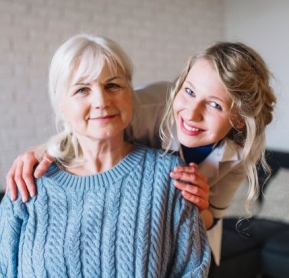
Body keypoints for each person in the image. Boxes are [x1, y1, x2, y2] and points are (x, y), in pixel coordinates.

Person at [5, 41, 276, 266]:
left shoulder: (242, 151)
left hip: (189, 237)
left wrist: (200, 204)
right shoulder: (145, 106)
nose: (191, 114)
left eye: (215, 105)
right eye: (189, 91)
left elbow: (211, 218)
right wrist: (39, 151)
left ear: (240, 119)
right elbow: (90, 123)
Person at [0, 33, 211, 277]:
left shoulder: (171, 176)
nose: (101, 100)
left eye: (112, 85)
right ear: (61, 105)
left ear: (130, 94)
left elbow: (193, 271)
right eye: (82, 89)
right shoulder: (28, 185)